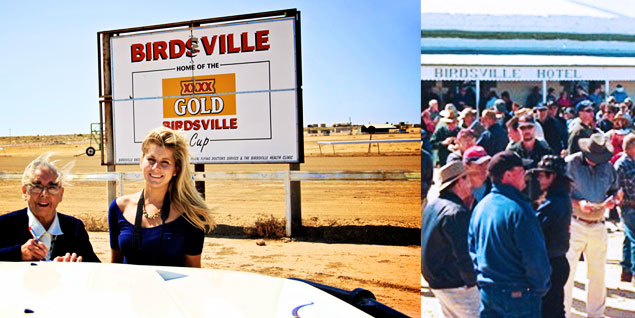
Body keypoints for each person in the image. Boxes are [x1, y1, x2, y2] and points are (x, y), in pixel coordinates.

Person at [108, 127, 215, 267]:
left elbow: (193, 272)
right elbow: (115, 267)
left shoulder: (191, 214)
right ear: (141, 161)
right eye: (151, 159)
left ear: (176, 169)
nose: (156, 167)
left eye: (165, 162)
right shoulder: (118, 208)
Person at [469, 151, 551, 317]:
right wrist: (539, 288)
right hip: (518, 296)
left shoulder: (481, 207)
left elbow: (473, 250)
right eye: (521, 170)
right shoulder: (520, 210)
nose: (525, 175)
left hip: (488, 292)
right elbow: (534, 256)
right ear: (508, 175)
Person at [0, 153, 100, 262]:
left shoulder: (74, 228)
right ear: (25, 192)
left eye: (52, 187)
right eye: (37, 187)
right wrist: (18, 254)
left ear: (61, 194)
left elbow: (96, 270)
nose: (44, 194)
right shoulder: (5, 225)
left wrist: (76, 267)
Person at [564, 133, 619, 318]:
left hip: (598, 223)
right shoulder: (570, 164)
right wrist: (577, 204)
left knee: (598, 274)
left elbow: (614, 189)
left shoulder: (608, 167)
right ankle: (564, 313)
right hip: (575, 223)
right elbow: (560, 192)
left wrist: (613, 200)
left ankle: (596, 315)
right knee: (567, 273)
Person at [421, 161, 478, 318]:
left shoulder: (433, 205)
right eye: (467, 178)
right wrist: (474, 283)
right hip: (455, 285)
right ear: (459, 182)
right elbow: (463, 255)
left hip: (437, 281)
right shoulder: (456, 213)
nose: (471, 183)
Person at [531, 155, 573, 318]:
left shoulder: (552, 203)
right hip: (557, 262)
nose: (539, 179)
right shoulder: (562, 198)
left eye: (542, 175)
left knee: (549, 311)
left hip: (551, 264)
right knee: (554, 309)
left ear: (552, 176)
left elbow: (534, 229)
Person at [615, 134, 635, 285]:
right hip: (629, 206)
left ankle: (626, 270)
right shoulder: (624, 164)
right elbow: (630, 187)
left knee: (629, 238)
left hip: (629, 206)